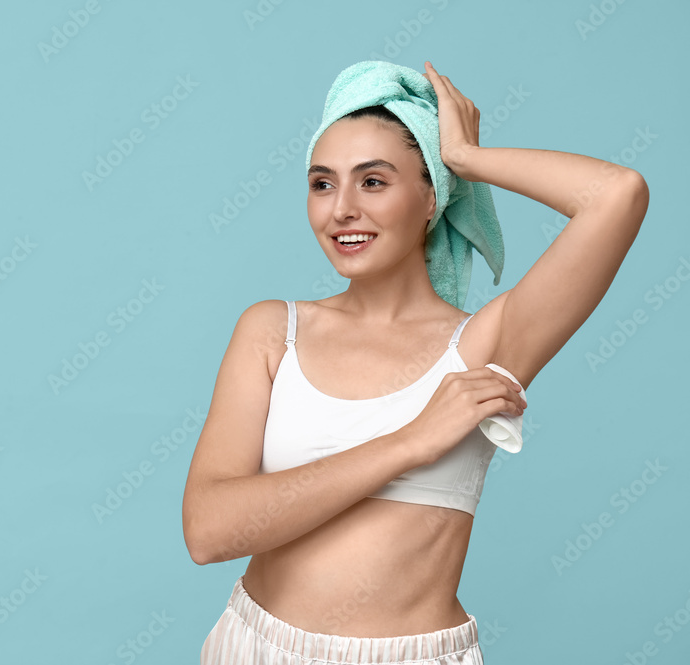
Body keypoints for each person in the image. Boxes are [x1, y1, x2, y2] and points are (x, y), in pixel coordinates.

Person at [182, 60, 649, 665]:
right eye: (323, 184)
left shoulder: (486, 346)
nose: (341, 209)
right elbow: (208, 530)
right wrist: (411, 442)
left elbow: (618, 195)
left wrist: (467, 157)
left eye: (373, 181)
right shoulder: (273, 331)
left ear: (432, 196)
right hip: (255, 644)